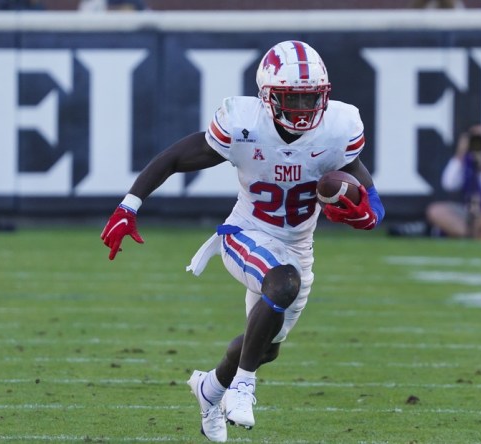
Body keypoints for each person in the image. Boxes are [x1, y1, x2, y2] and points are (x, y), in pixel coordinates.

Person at [99, 40, 385, 442]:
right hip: (245, 233)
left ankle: (210, 388)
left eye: (311, 97)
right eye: (293, 97)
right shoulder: (243, 123)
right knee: (283, 283)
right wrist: (129, 205)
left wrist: (369, 214)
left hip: (299, 245)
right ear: (268, 97)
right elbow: (175, 158)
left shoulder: (339, 128)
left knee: (265, 345)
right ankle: (243, 386)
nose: (303, 108)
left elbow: (370, 195)